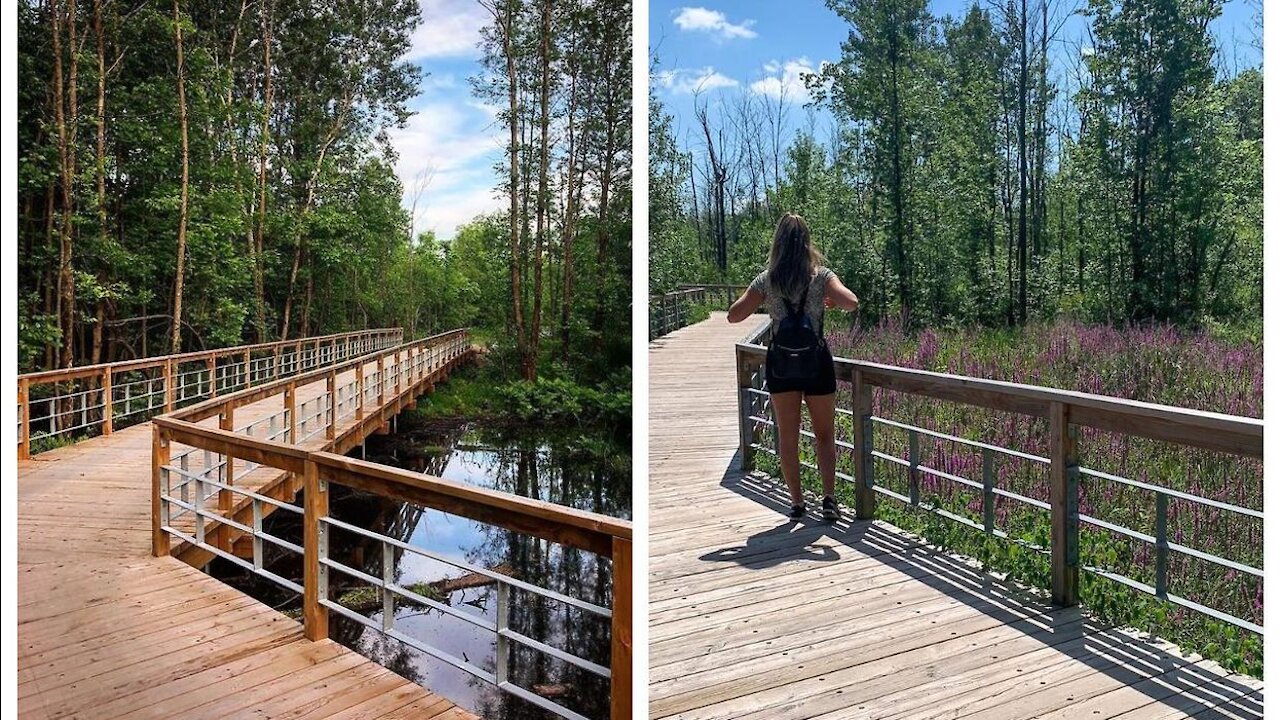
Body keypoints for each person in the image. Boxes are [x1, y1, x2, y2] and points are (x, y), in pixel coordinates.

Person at [727, 213, 860, 520]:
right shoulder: (822, 276)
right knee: (825, 435)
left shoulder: (766, 279)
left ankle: (797, 503)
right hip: (816, 364)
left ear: (778, 242)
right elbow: (851, 302)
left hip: (781, 365)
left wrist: (764, 300)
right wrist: (828, 299)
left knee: (788, 436)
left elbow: (734, 316)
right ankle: (828, 499)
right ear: (806, 242)